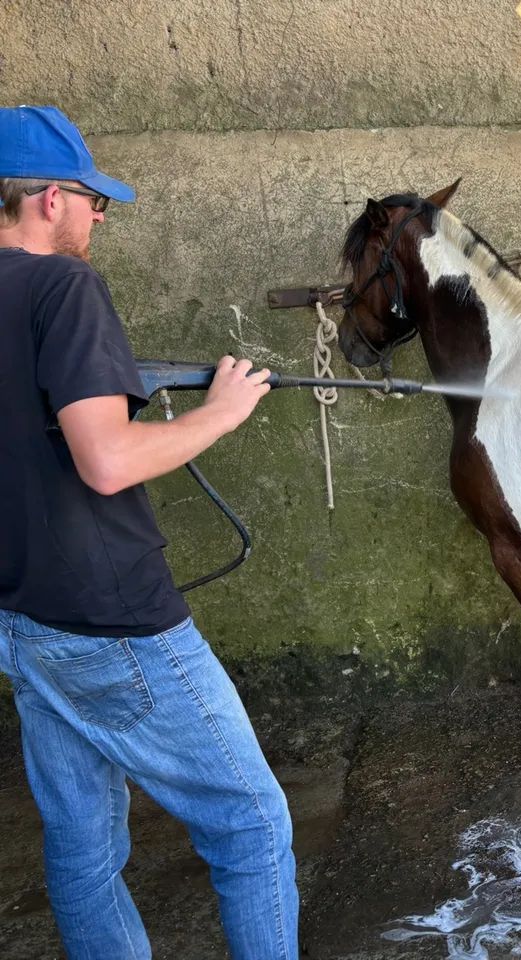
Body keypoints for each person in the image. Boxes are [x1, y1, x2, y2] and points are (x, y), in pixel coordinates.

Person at [0, 105, 298, 960]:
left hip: (23, 621)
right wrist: (223, 412)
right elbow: (105, 460)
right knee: (249, 824)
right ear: (49, 199)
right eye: (96, 200)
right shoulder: (67, 287)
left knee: (84, 848)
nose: (102, 215)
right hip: (113, 621)